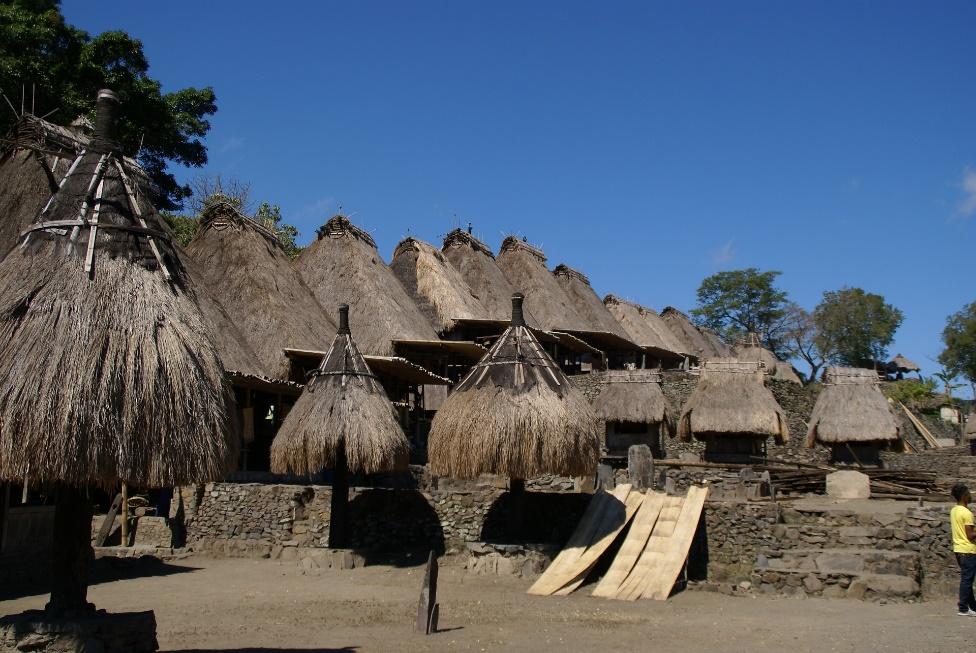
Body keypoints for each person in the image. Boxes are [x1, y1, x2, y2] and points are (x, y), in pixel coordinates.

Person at [951, 484, 976, 616]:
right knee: (967, 580)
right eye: (968, 493)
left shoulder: (954, 510)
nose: (970, 495)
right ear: (964, 496)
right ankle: (963, 608)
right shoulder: (967, 513)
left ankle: (972, 606)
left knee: (968, 579)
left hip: (958, 549)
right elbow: (970, 535)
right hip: (968, 550)